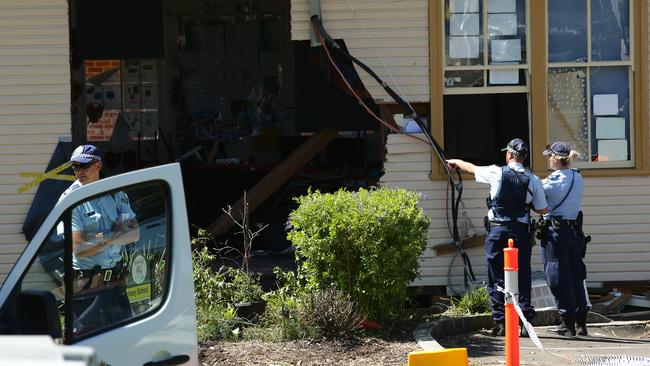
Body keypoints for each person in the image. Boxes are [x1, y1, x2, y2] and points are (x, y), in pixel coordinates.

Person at [447, 138, 548, 336]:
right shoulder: (533, 179)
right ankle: (524, 322)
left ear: (509, 154)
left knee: (496, 276)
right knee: (523, 275)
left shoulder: (496, 172)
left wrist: (455, 162)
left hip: (497, 231)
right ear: (524, 157)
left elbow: (471, 168)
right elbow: (542, 208)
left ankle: (502, 323)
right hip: (520, 232)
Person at [58, 144, 140, 334]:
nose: (79, 171)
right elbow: (78, 248)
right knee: (88, 347)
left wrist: (99, 238)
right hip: (86, 285)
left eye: (84, 166)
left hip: (115, 283)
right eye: (75, 167)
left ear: (98, 165)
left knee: (126, 341)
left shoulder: (116, 193)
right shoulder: (70, 199)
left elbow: (134, 234)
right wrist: (114, 235)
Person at [539, 141, 589, 336]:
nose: (548, 159)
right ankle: (580, 321)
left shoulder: (553, 182)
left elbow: (536, 196)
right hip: (575, 231)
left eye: (549, 156)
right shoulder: (578, 177)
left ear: (555, 158)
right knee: (576, 274)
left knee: (558, 276)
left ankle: (567, 322)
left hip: (556, 232)